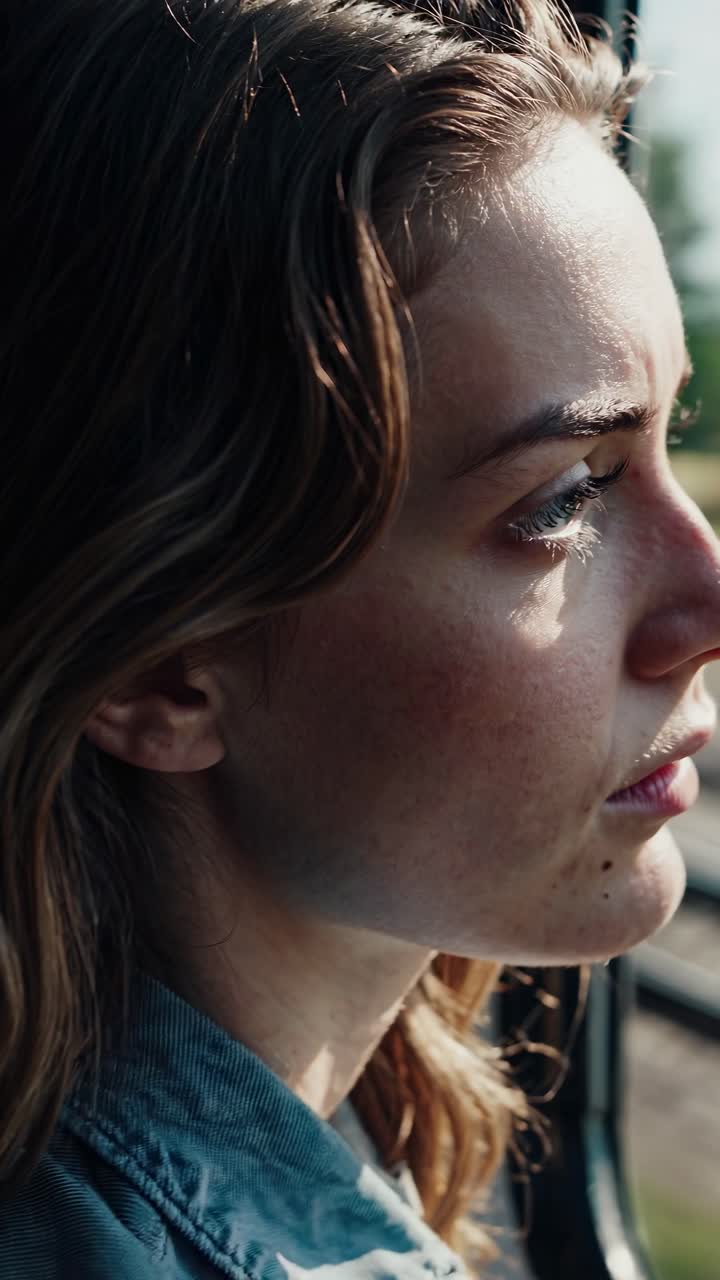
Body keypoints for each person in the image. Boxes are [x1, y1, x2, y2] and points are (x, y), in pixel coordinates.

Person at [1, 0, 719, 1275]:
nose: (705, 605)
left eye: (671, 430)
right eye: (564, 498)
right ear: (167, 668)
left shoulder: (351, 1129)